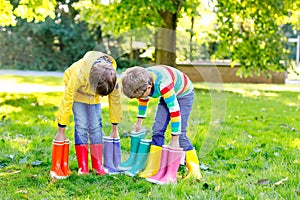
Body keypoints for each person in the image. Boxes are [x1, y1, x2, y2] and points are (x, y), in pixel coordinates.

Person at [121, 65, 202, 184]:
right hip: (168, 94)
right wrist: (139, 121)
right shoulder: (142, 80)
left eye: (139, 96)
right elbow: (143, 99)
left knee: (181, 135)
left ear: (149, 87)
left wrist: (174, 138)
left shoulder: (163, 85)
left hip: (184, 94)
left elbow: (175, 112)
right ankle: (152, 168)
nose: (139, 98)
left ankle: (195, 171)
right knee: (157, 129)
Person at [50, 51, 122, 179]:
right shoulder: (79, 73)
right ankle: (83, 166)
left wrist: (115, 128)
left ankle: (97, 165)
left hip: (92, 96)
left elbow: (115, 101)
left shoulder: (111, 77)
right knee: (82, 125)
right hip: (78, 92)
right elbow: (68, 98)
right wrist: (61, 129)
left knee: (95, 127)